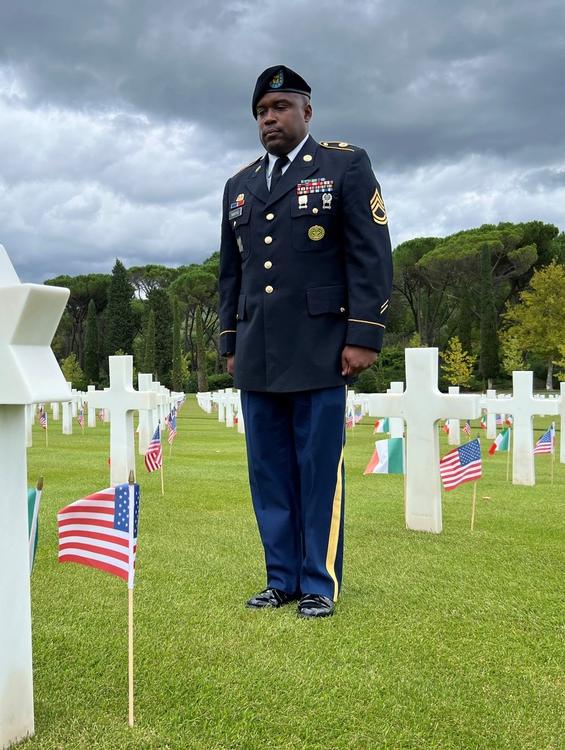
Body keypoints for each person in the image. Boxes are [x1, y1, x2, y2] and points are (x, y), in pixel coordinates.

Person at [217, 65, 393, 619]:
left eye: (281, 108)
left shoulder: (344, 165)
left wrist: (363, 334)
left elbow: (370, 253)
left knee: (318, 470)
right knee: (268, 472)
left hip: (322, 347)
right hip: (259, 351)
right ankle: (281, 579)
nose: (270, 119)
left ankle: (318, 582)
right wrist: (230, 342)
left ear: (307, 112)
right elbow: (231, 273)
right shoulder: (239, 185)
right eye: (262, 113)